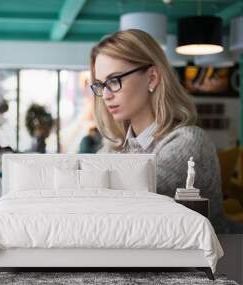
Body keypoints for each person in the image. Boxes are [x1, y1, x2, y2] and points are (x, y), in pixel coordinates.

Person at [90, 29, 242, 234]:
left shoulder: (188, 142)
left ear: (152, 78)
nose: (105, 95)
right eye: (100, 85)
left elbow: (127, 207)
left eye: (114, 80)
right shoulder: (114, 147)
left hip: (207, 263)